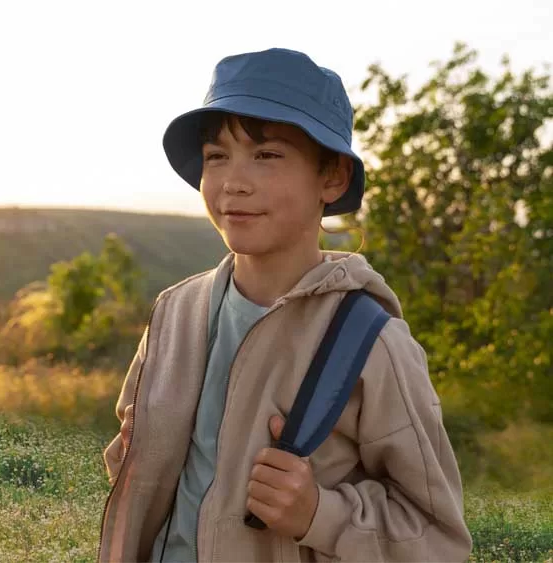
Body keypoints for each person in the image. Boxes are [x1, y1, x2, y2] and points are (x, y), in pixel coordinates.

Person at [98, 48, 472, 562]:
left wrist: (319, 513)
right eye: (216, 156)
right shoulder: (174, 312)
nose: (234, 181)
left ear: (332, 178)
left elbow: (439, 539)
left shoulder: (370, 342)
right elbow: (140, 462)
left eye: (267, 155)